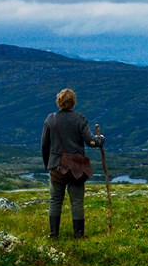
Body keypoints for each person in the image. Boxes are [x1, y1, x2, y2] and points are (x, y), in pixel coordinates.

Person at [40, 88, 104, 239]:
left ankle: (54, 234)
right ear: (73, 102)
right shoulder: (79, 119)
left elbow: (44, 145)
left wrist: (47, 164)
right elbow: (91, 142)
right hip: (76, 168)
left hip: (56, 166)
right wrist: (101, 139)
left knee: (55, 200)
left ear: (59, 102)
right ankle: (79, 235)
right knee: (77, 201)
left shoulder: (51, 119)